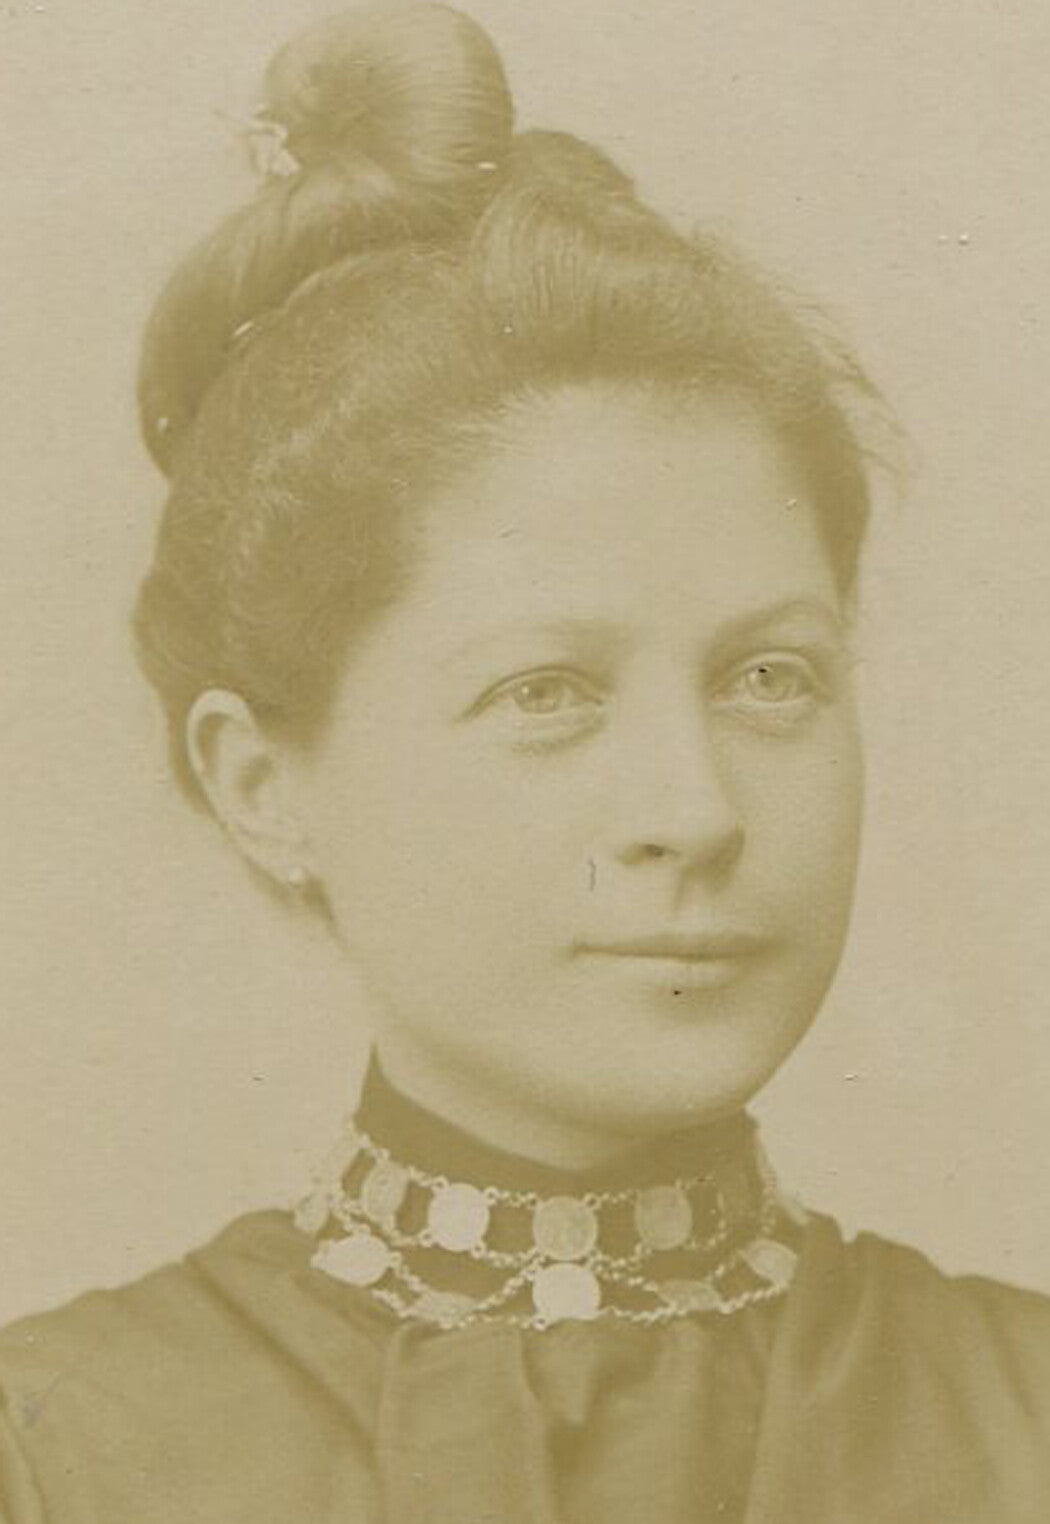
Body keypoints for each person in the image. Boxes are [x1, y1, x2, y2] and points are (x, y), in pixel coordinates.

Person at [1, 5, 1048, 1520]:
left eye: (770, 677)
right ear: (259, 782)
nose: (692, 812)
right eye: (544, 691)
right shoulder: (61, 1458)